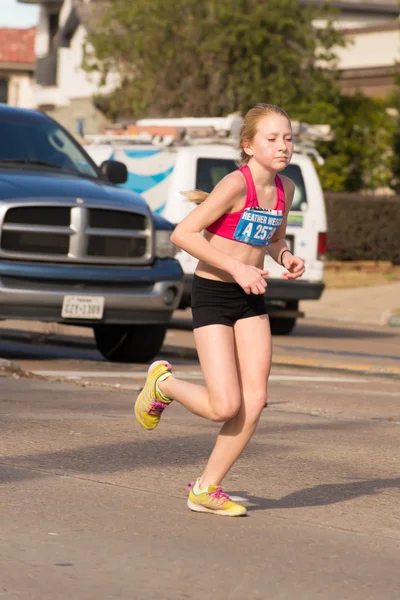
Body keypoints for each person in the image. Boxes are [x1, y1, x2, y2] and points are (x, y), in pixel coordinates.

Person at [135, 103, 305, 517]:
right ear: (249, 146)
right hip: (214, 294)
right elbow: (183, 234)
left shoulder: (285, 189)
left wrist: (284, 257)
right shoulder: (234, 184)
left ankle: (206, 488)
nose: (283, 145)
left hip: (251, 298)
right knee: (223, 406)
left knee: (256, 397)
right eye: (272, 138)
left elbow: (272, 238)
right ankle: (164, 385)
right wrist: (235, 267)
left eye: (287, 137)